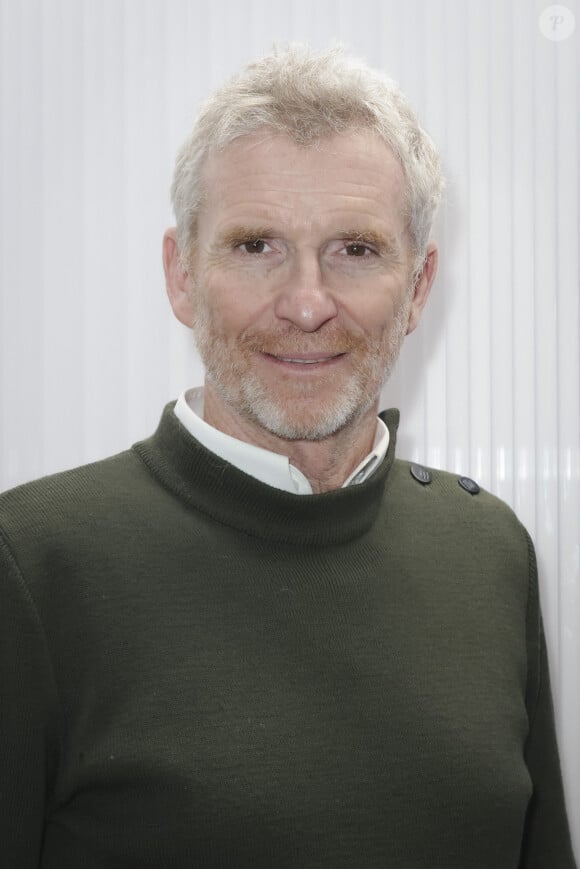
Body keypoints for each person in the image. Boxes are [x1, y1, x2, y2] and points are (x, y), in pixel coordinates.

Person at [0, 44, 576, 869]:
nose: (306, 303)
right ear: (180, 275)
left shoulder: (489, 550)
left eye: (357, 249)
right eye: (255, 245)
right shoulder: (32, 564)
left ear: (418, 288)